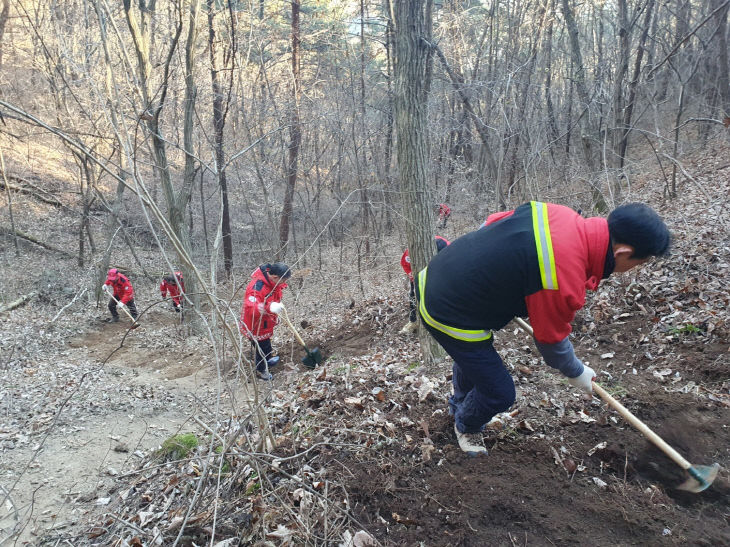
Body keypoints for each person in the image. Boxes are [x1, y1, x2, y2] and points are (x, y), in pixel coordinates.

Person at [415, 202, 670, 456]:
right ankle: (466, 424)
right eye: (639, 262)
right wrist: (576, 371)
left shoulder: (559, 214)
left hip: (440, 273)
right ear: (623, 252)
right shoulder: (562, 275)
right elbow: (550, 341)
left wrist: (498, 269)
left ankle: (459, 403)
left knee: (474, 359)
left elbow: (492, 222)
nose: (633, 269)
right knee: (499, 392)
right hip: (446, 310)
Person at [240, 263, 292, 381]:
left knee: (265, 345)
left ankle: (267, 360)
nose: (284, 283)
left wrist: (275, 314)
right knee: (262, 349)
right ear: (274, 277)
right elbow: (251, 308)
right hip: (255, 325)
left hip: (265, 321)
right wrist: (269, 307)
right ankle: (261, 370)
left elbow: (274, 298)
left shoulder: (274, 284)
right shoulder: (257, 287)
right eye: (283, 280)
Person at [399, 236, 450, 334]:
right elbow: (405, 264)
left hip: (442, 271)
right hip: (418, 273)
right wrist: (412, 277)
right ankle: (413, 321)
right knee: (414, 294)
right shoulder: (410, 253)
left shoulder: (445, 247)